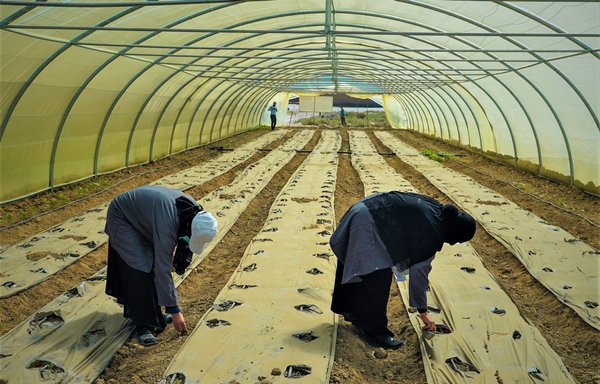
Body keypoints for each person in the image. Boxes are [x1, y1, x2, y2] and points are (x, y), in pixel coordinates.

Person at [329, 191, 476, 349]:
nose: (453, 244)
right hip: (369, 220)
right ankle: (377, 333)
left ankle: (350, 311)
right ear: (455, 232)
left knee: (355, 261)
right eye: (457, 240)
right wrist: (423, 313)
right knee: (377, 278)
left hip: (363, 208)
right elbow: (419, 276)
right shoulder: (432, 232)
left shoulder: (437, 211)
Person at [105, 185, 218, 346]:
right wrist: (174, 310)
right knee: (141, 267)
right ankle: (143, 326)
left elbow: (185, 242)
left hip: (145, 217)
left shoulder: (192, 213)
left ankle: (155, 316)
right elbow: (162, 268)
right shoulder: (168, 222)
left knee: (149, 263)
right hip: (123, 216)